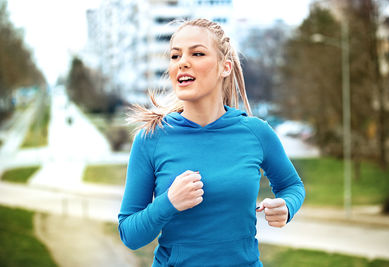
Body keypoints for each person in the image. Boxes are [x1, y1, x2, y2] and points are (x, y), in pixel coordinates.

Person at [118, 18, 305, 267]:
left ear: (224, 67)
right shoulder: (151, 138)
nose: (182, 62)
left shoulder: (256, 133)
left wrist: (286, 206)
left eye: (197, 53)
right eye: (175, 56)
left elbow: (292, 186)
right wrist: (169, 202)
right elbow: (129, 235)